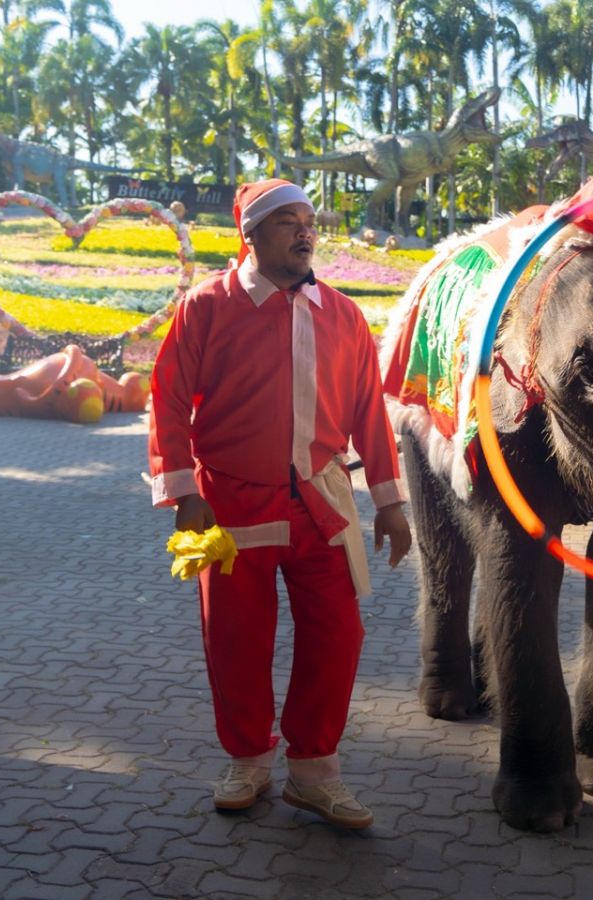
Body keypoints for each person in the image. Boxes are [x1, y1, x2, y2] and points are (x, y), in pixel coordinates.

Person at [148, 178, 413, 829]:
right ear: (251, 235)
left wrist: (389, 501)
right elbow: (169, 399)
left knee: (339, 633)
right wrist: (182, 492)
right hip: (224, 507)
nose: (305, 231)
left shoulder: (343, 314)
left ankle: (314, 772)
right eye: (287, 221)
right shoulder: (206, 307)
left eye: (308, 221)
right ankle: (247, 760)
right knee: (235, 639)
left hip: (321, 502)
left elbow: (368, 412)